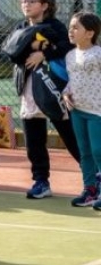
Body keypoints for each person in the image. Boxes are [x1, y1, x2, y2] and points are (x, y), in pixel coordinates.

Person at [4, 0, 80, 198]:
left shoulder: (55, 26)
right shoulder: (20, 27)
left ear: (44, 5)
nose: (26, 5)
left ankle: (94, 177)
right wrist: (34, 46)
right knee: (34, 139)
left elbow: (67, 46)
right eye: (24, 1)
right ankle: (41, 181)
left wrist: (43, 53)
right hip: (29, 90)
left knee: (70, 135)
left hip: (54, 89)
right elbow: (13, 52)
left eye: (31, 1)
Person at [63, 11, 101, 208]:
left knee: (98, 151)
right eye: (70, 27)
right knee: (84, 152)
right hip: (77, 110)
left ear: (90, 33)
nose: (71, 31)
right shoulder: (70, 55)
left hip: (97, 112)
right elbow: (72, 81)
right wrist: (66, 93)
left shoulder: (98, 54)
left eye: (76, 27)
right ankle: (90, 190)